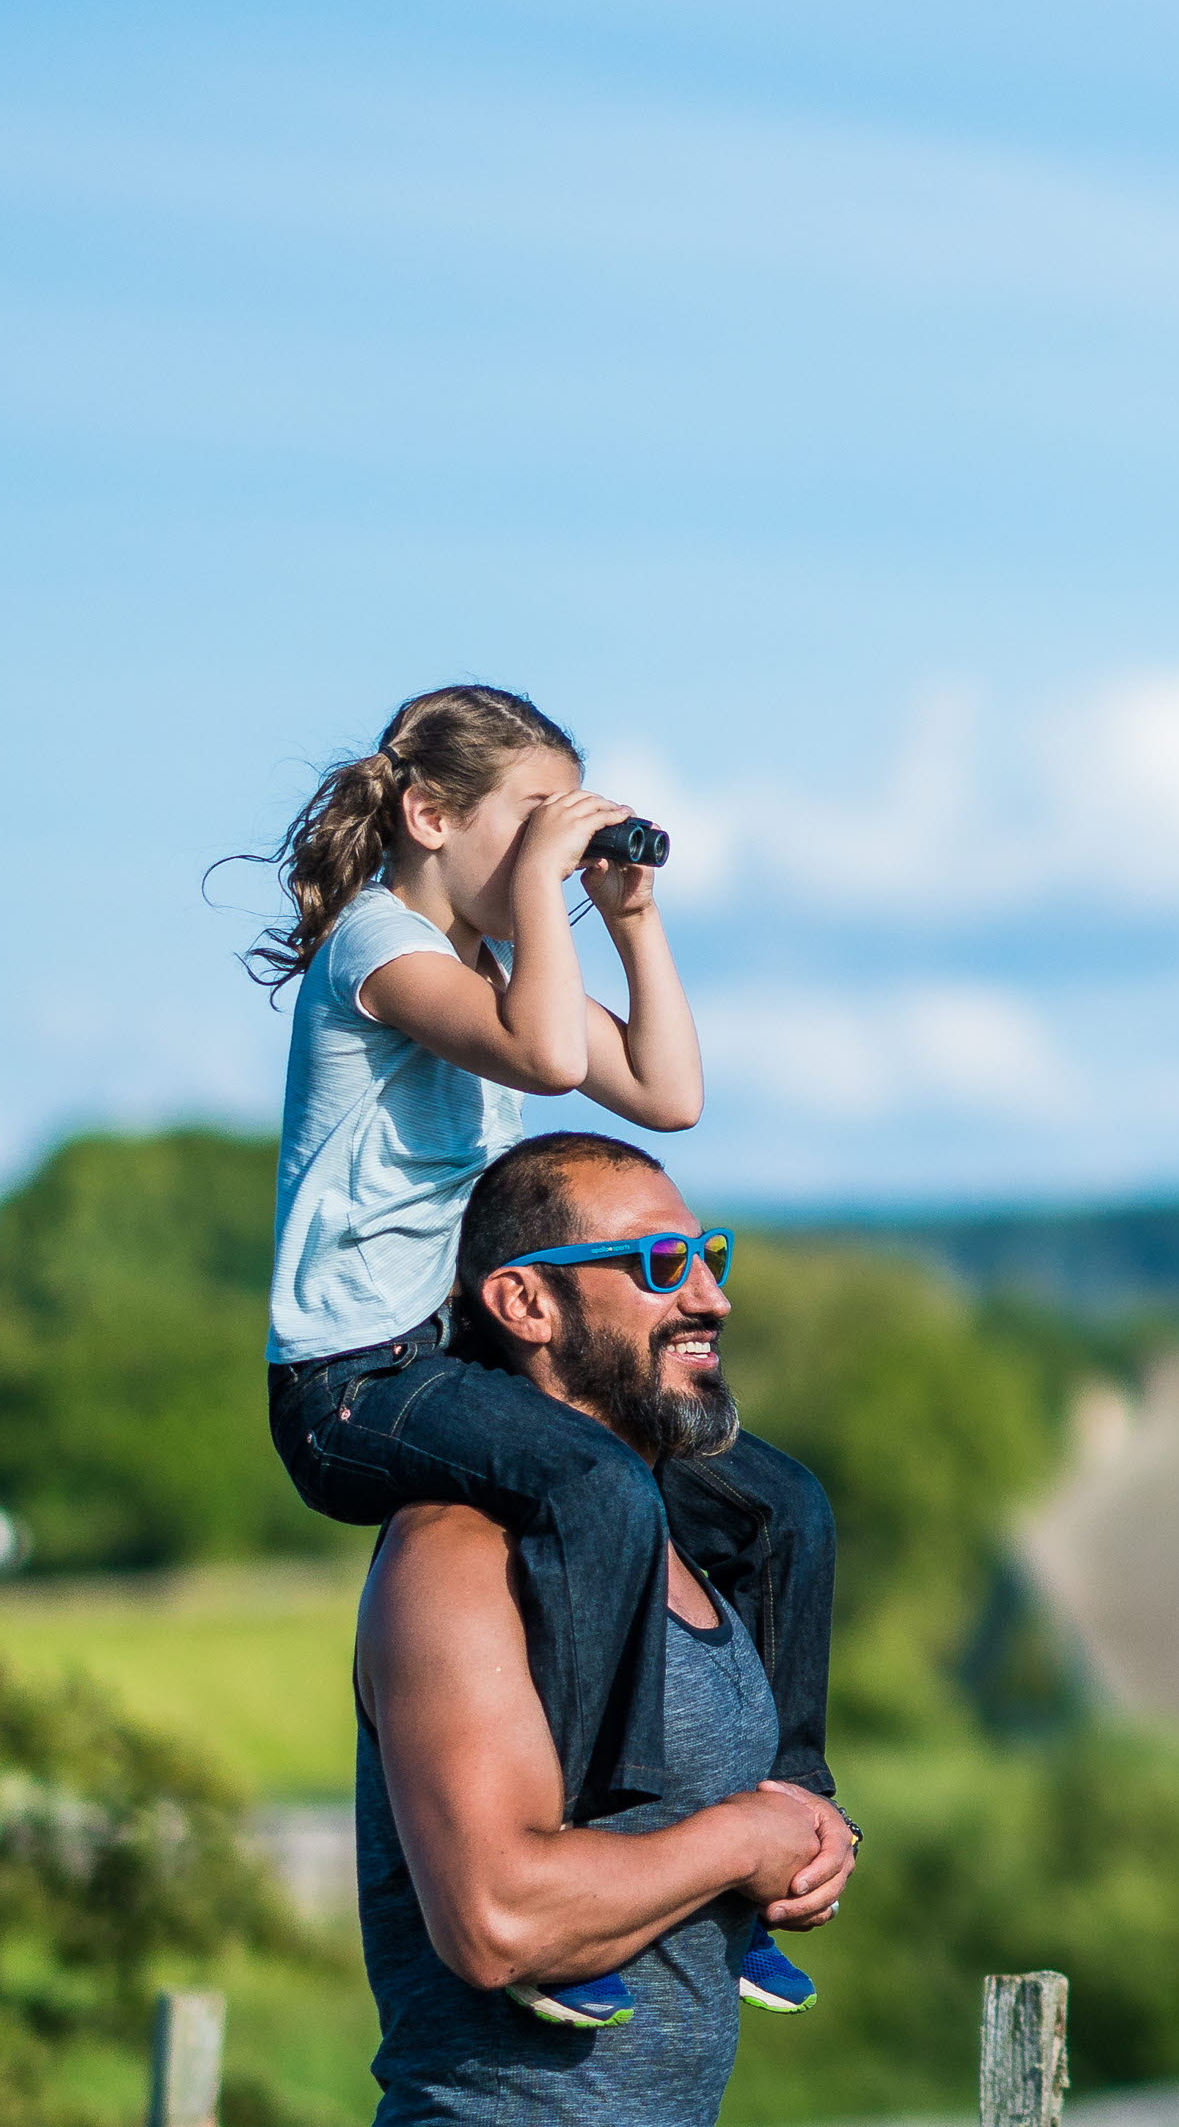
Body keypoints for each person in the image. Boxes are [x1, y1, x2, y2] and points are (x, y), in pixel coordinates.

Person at [246, 685, 834, 2022]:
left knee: (775, 1500)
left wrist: (631, 915)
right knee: (592, 1484)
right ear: (428, 814)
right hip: (356, 1381)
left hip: (451, 1358)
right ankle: (594, 1835)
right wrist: (545, 891)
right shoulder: (376, 950)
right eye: (525, 821)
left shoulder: (492, 973)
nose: (542, 857)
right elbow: (548, 1049)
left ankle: (785, 1813)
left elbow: (669, 1095)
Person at [356, 1134, 857, 2127]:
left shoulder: (684, 1548)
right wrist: (740, 1838)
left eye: (709, 1256)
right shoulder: (457, 1553)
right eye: (657, 1264)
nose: (709, 1296)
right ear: (525, 1303)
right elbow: (499, 1917)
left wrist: (812, 1840)